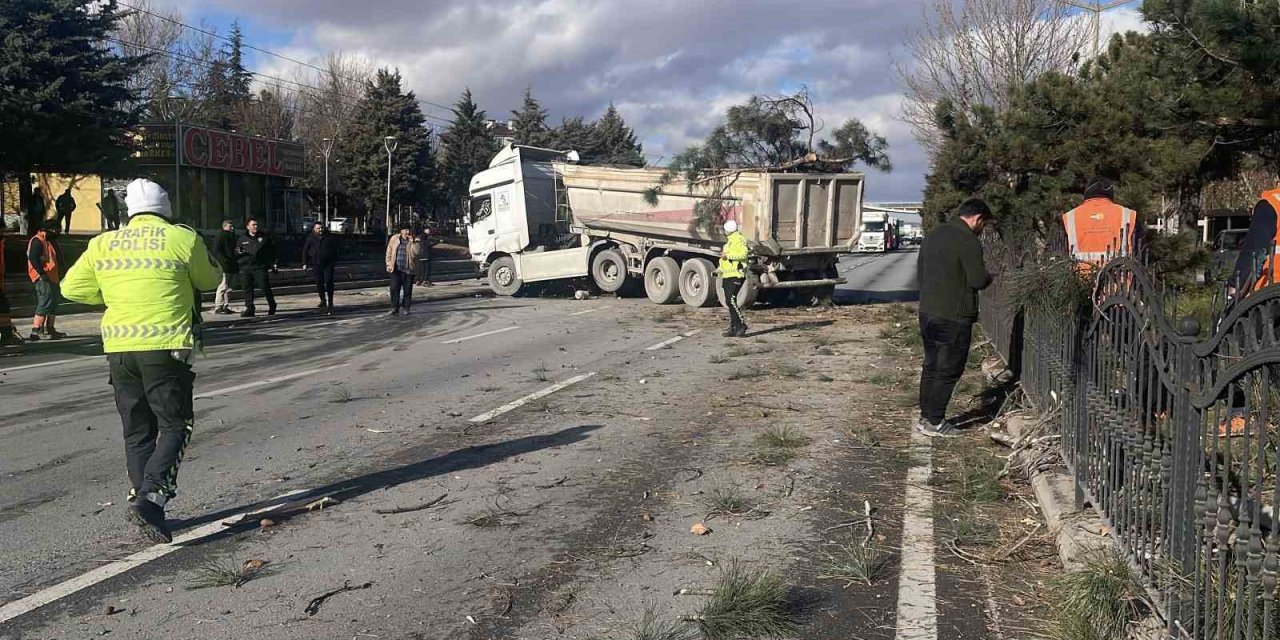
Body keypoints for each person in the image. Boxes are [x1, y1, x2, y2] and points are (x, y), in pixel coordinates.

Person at [61, 179, 222, 543]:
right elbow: (210, 278)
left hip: (119, 348)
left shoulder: (103, 243)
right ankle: (151, 498)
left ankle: (146, 503)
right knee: (177, 424)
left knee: (137, 431)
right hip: (165, 347)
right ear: (166, 209)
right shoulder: (181, 238)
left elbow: (71, 288)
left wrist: (113, 290)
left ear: (128, 211)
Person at [916, 198, 993, 438]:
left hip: (928, 310)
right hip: (954, 314)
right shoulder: (968, 240)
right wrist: (991, 276)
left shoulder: (934, 234)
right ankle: (936, 422)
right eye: (984, 224)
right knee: (948, 368)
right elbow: (978, 280)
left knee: (931, 365)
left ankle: (926, 415)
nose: (982, 230)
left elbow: (920, 270)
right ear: (978, 218)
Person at [1061, 177, 1141, 266]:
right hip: (1118, 278)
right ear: (1111, 193)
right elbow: (1141, 252)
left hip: (1079, 278)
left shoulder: (1069, 218)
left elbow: (1058, 255)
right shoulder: (1128, 215)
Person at [26, 221, 65, 341]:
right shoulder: (38, 240)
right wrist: (41, 273)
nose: (59, 232)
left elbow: (57, 258)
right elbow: (33, 257)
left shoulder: (50, 241)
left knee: (53, 303)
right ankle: (36, 329)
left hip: (53, 276)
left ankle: (50, 328)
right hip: (42, 277)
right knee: (45, 302)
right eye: (57, 229)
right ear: (50, 230)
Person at [235, 218, 277, 317]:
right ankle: (250, 308)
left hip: (259, 267)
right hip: (246, 267)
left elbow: (272, 251)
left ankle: (272, 304)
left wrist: (273, 263)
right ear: (248, 227)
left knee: (264, 287)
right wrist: (239, 252)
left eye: (256, 225)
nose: (255, 227)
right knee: (247, 288)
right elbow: (236, 251)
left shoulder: (264, 237)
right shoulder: (242, 238)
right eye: (253, 225)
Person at [719, 219, 750, 337]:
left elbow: (743, 254)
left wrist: (728, 255)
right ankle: (733, 327)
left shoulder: (739, 240)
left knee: (731, 300)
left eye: (725, 230)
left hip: (736, 274)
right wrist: (719, 269)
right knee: (729, 301)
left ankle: (741, 324)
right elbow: (725, 260)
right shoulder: (729, 242)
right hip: (727, 274)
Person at [302, 221, 339, 313]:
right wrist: (304, 263)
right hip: (316, 263)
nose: (321, 230)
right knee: (319, 282)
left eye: (322, 228)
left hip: (328, 263)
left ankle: (330, 301)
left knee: (329, 280)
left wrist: (334, 260)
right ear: (314, 229)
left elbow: (336, 249)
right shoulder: (311, 238)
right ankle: (323, 300)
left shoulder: (329, 237)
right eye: (318, 228)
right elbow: (305, 250)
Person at [385, 224, 421, 315]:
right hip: (396, 268)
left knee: (407, 290)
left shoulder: (415, 240)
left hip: (408, 269)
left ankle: (406, 308)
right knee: (394, 288)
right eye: (405, 230)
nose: (407, 232)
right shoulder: (394, 239)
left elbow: (416, 253)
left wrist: (413, 242)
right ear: (401, 231)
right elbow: (389, 251)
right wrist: (388, 263)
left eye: (408, 230)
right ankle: (394, 307)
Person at [211, 220, 239, 314]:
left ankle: (225, 305)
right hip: (224, 265)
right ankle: (218, 306)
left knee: (228, 287)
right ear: (224, 227)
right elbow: (216, 251)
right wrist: (224, 261)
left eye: (232, 226)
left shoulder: (232, 236)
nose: (232, 228)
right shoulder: (221, 236)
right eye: (230, 226)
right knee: (223, 285)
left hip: (231, 264)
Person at [0, 225, 19, 346]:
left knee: (4, 309)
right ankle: (6, 335)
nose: (3, 232)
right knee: (3, 308)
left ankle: (6, 335)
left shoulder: (1, 244)